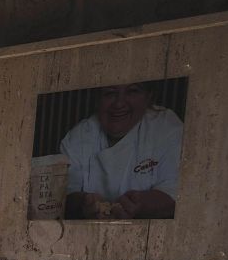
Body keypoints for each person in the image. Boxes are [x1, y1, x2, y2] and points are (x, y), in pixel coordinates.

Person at [61, 82, 183, 220]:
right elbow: (65, 196)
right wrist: (84, 203)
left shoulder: (167, 126)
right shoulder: (78, 137)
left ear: (148, 97)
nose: (119, 104)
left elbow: (177, 194)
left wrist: (141, 204)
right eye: (110, 93)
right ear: (97, 99)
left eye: (132, 91)